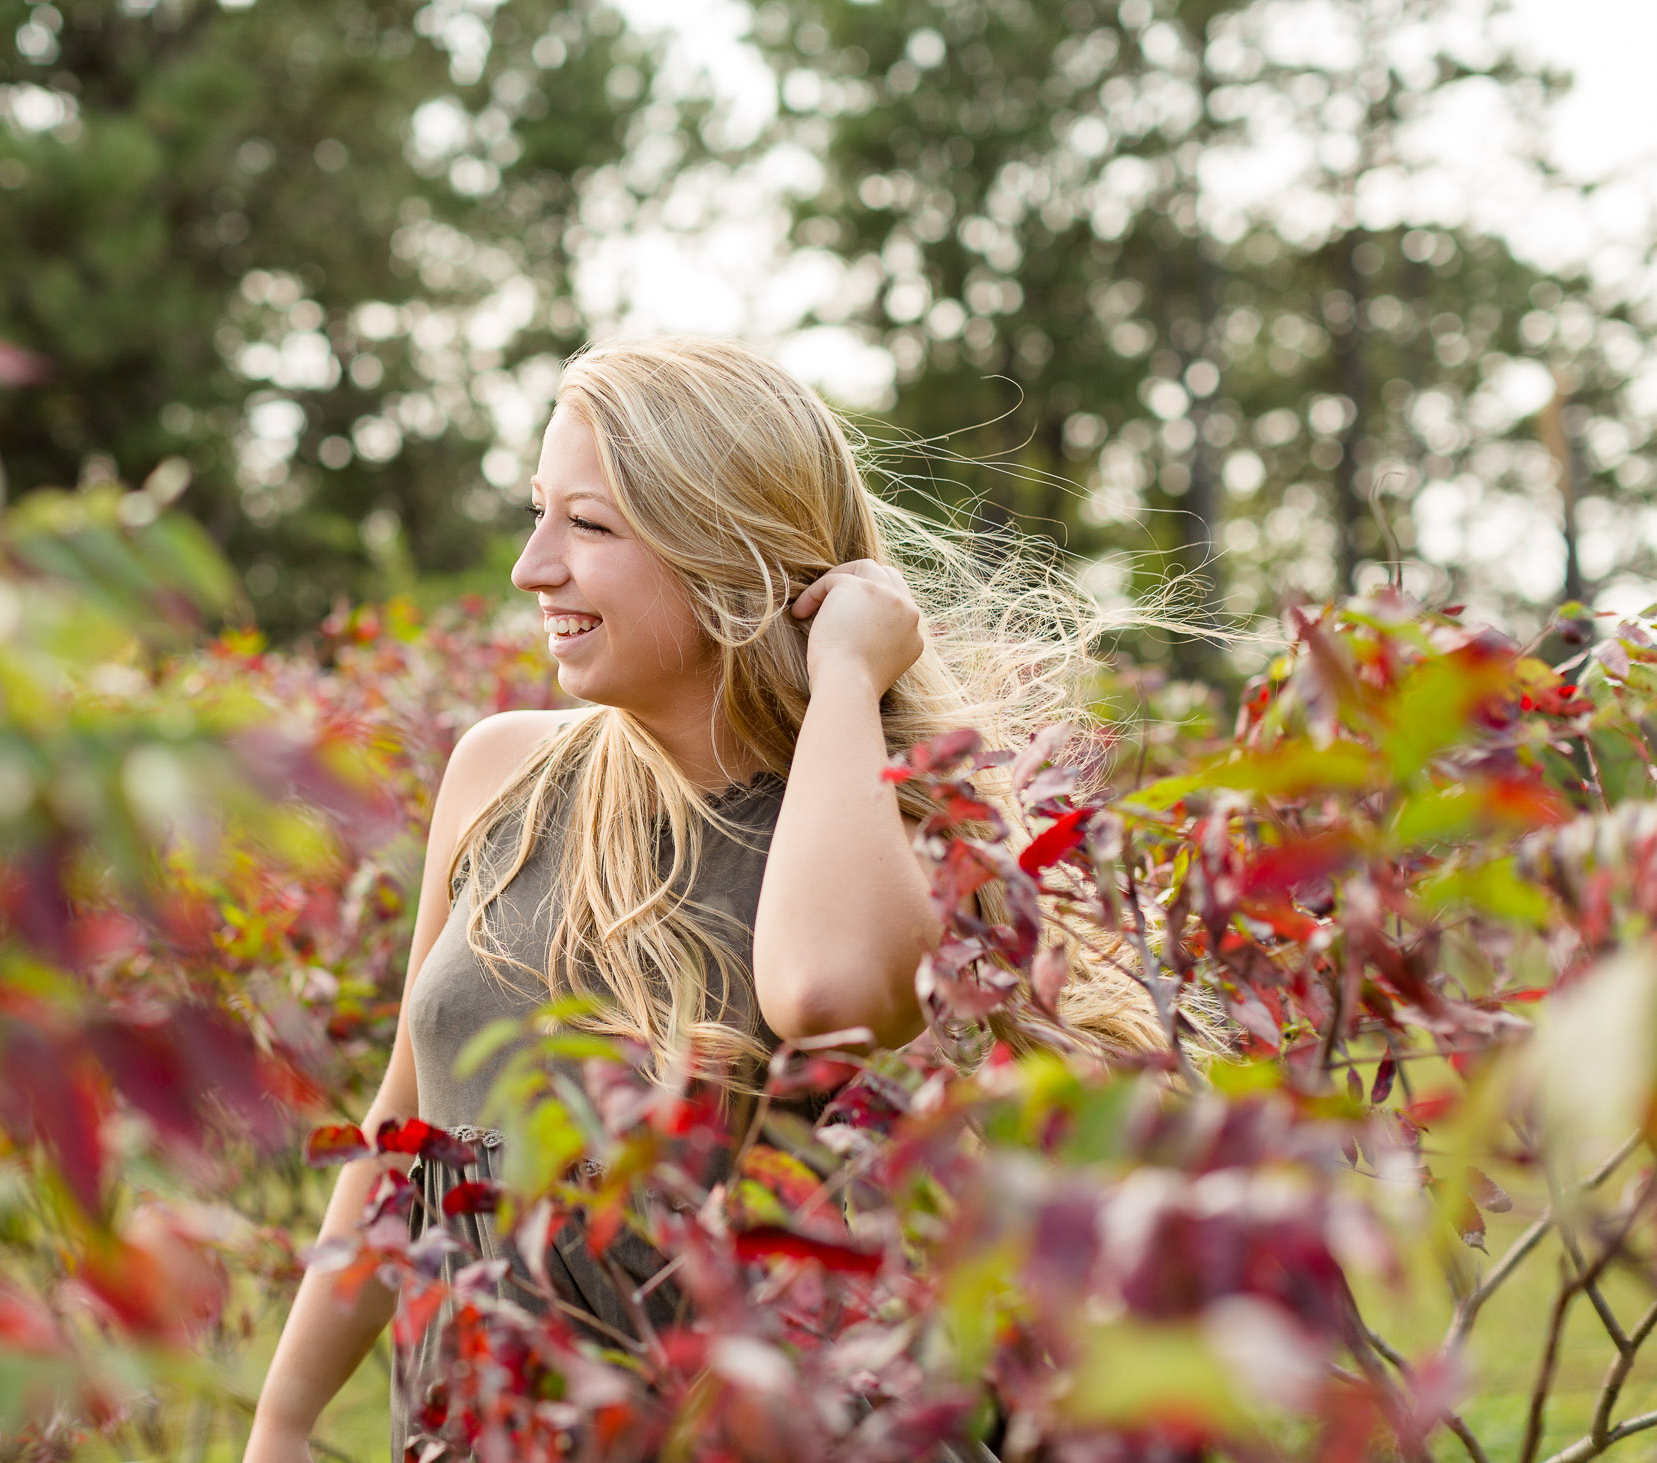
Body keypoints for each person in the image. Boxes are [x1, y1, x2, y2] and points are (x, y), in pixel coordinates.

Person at [244, 336, 1163, 1462]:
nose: (533, 565)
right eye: (539, 512)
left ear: (728, 553)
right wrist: (284, 1419)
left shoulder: (880, 836)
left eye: (588, 524)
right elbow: (407, 1134)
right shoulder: (503, 775)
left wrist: (841, 680)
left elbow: (826, 989)